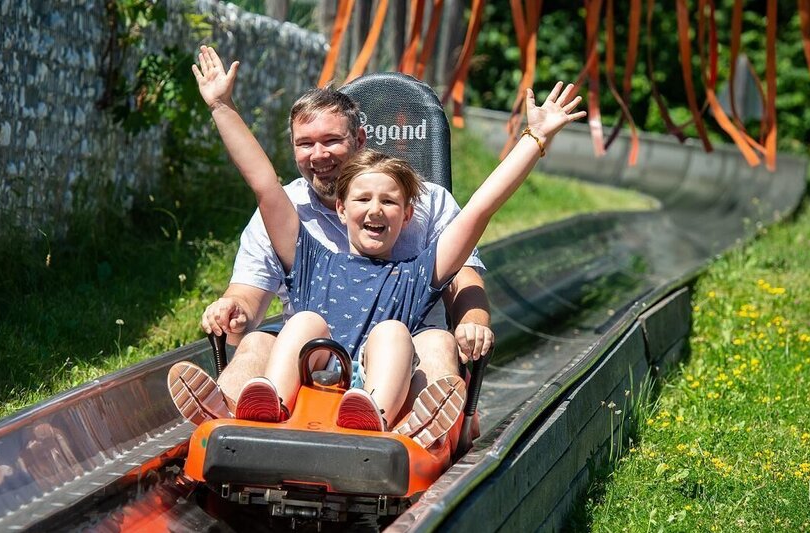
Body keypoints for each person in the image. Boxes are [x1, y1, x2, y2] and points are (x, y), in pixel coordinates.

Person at [168, 46, 585, 446]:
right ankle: (259, 407)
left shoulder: (417, 273)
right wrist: (222, 107)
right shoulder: (312, 258)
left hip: (381, 384)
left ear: (407, 216)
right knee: (301, 322)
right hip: (313, 374)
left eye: (389, 202)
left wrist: (534, 138)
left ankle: (385, 421)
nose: (375, 211)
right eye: (363, 201)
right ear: (340, 208)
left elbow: (480, 210)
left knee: (393, 332)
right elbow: (263, 183)